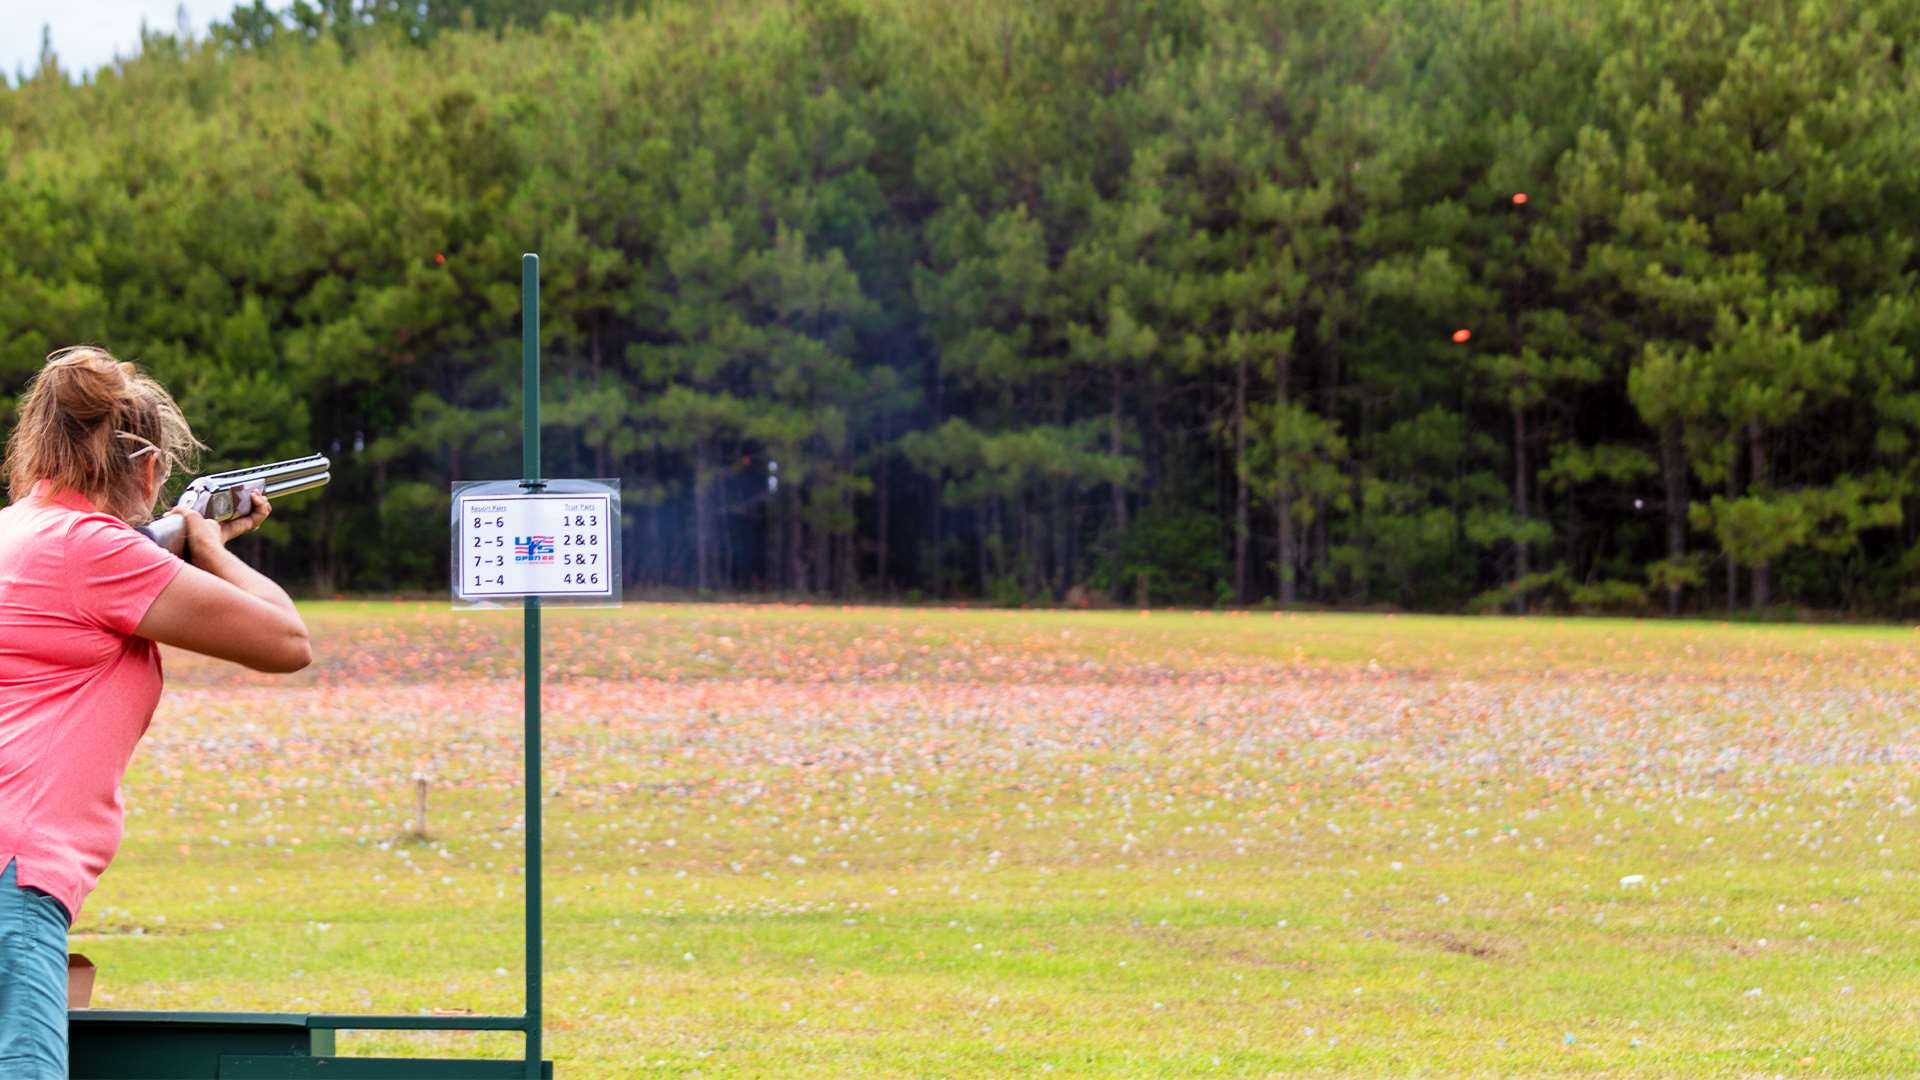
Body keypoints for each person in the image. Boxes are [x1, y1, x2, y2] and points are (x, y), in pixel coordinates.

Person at [0, 346, 311, 1078]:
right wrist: (209, 547)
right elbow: (287, 641)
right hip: (13, 875)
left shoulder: (14, 530)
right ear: (145, 470)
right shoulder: (97, 550)